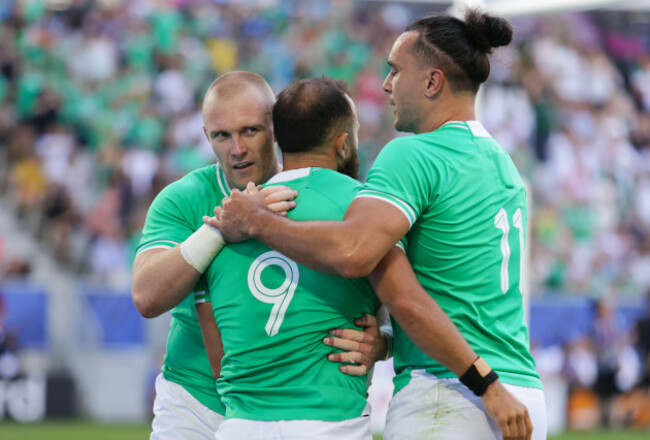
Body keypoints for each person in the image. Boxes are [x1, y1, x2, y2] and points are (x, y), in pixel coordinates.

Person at [210, 10, 546, 440]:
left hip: (453, 392)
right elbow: (450, 289)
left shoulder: (413, 154)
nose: (386, 84)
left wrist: (256, 221)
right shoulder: (502, 164)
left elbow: (357, 254)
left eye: (395, 70)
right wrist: (386, 341)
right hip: (519, 392)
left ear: (432, 82)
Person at [132, 72, 386, 439]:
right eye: (222, 135)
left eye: (250, 130)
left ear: (276, 129)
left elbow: (380, 279)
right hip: (194, 401)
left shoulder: (314, 193)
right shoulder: (184, 199)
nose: (236, 148)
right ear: (206, 136)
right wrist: (221, 226)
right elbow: (146, 295)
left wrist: (383, 340)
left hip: (287, 407)